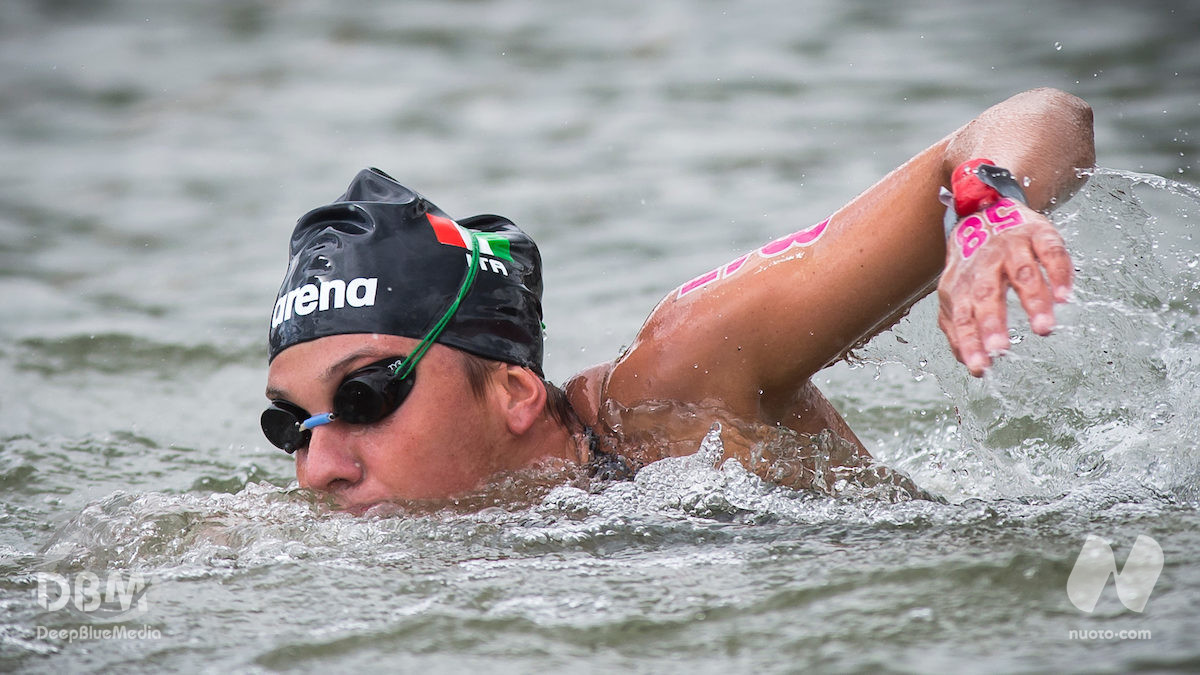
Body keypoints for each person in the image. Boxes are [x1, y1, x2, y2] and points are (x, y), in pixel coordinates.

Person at [261, 87, 1095, 512]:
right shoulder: (359, 530)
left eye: (366, 395)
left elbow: (1049, 112)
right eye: (288, 426)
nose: (318, 468)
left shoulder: (680, 385)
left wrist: (990, 206)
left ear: (515, 391)